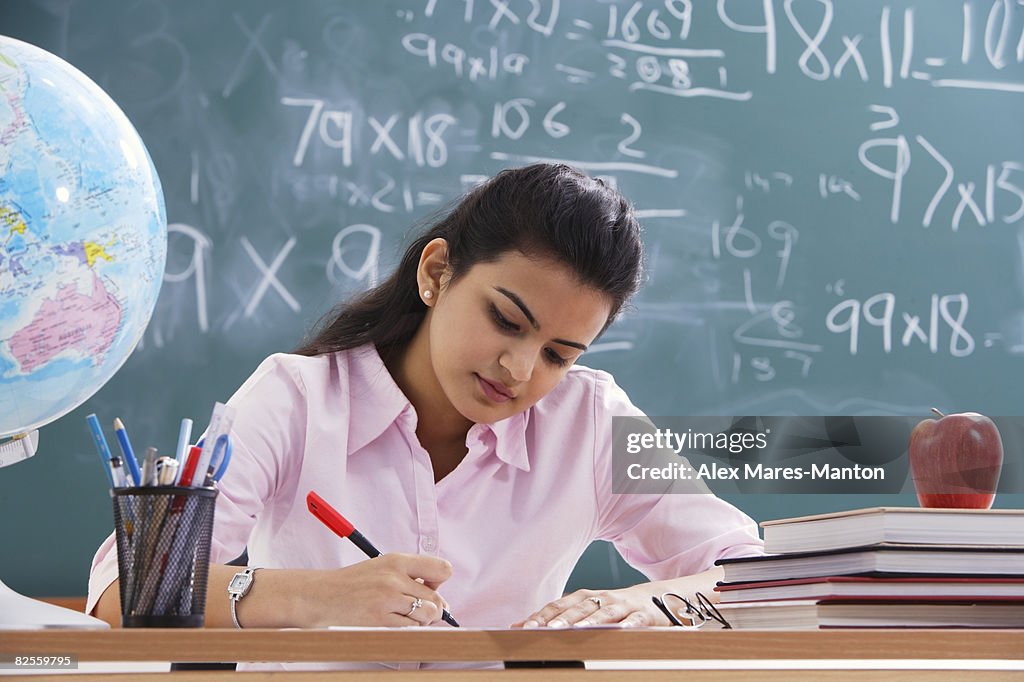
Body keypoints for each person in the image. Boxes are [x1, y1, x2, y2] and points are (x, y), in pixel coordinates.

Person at [87, 163, 762, 666]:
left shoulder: (589, 420)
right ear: (437, 273)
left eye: (559, 353)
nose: (520, 371)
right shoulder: (292, 399)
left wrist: (646, 602)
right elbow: (123, 588)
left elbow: (752, 571)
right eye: (505, 320)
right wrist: (320, 596)